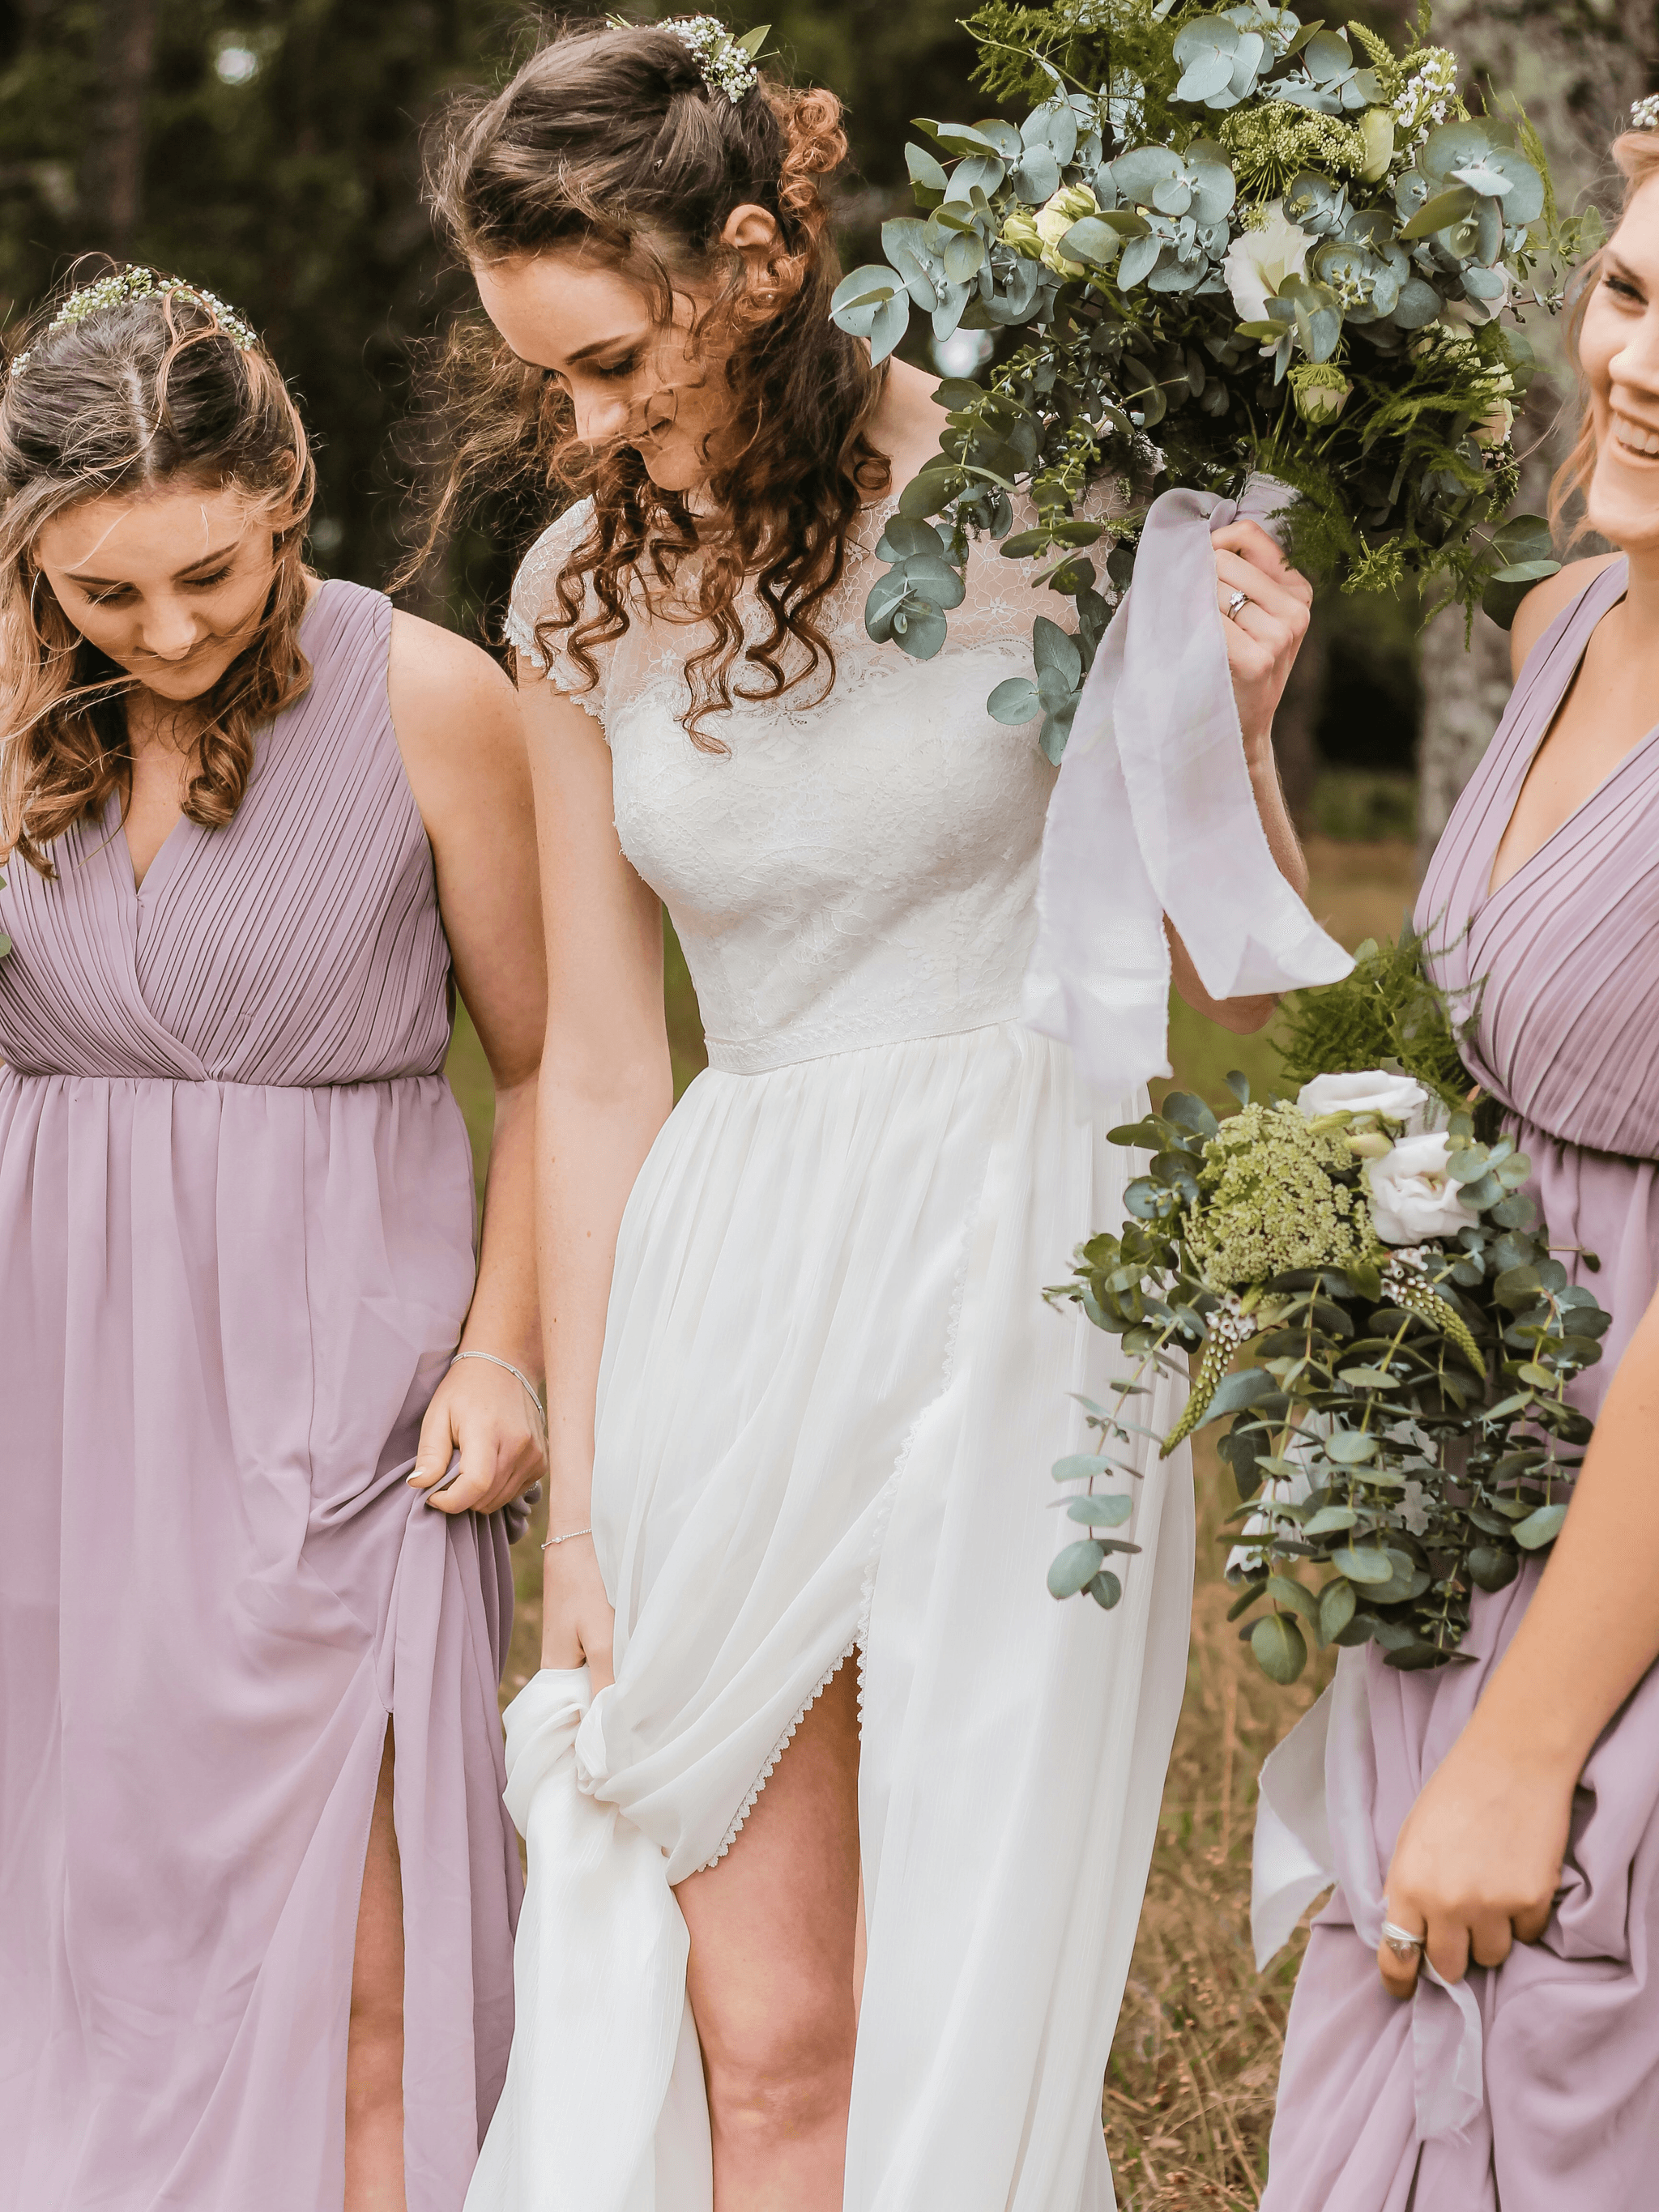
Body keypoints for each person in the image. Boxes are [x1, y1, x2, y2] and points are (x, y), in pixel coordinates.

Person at [421, 20, 1316, 2210]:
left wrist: (1247, 714)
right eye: (551, 379)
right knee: (770, 2011)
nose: (591, 421)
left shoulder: (1054, 490)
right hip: (742, 1260)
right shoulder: (575, 596)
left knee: (978, 1978)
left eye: (620, 357)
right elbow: (611, 1060)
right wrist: (597, 1521)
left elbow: (1222, 971)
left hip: (1028, 1257)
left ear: (752, 261)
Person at [0, 267, 546, 2212]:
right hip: (54, 1406)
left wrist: (503, 1346)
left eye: (211, 576)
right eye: (105, 594)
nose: (167, 632)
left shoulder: (433, 696)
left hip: (341, 1396)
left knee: (360, 1963)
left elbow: (552, 1071)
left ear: (286, 484)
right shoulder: (6, 709)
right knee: (73, 1928)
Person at [1260, 115, 1659, 2212]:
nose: (1644, 365)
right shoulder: (1568, 628)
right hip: (1495, 1493)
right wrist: (1248, 743)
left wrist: (1527, 1750)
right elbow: (1434, 1052)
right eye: (1631, 290)